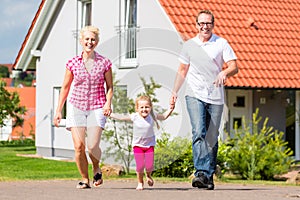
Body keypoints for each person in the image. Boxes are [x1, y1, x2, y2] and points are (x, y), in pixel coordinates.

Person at [170, 10, 238, 190]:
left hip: (215, 96)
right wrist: (175, 91)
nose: (204, 26)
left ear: (213, 25)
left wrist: (224, 72)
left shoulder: (221, 43)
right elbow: (182, 70)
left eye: (208, 23)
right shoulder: (189, 45)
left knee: (212, 136)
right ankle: (200, 172)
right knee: (198, 131)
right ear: (196, 25)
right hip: (194, 94)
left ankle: (208, 176)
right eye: (201, 23)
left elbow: (234, 67)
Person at [53, 26, 113, 189]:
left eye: (92, 39)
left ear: (97, 42)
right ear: (81, 41)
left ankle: (96, 166)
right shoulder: (72, 63)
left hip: (97, 106)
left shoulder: (104, 62)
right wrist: (59, 110)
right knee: (79, 147)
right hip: (76, 106)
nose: (89, 42)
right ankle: (85, 179)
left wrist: (108, 103)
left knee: (92, 146)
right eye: (86, 39)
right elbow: (65, 87)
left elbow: (110, 87)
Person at [109, 95, 174, 190]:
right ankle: (140, 182)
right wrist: (110, 114)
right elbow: (122, 118)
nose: (144, 109)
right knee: (139, 166)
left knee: (149, 165)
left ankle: (148, 176)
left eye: (147, 107)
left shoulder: (152, 115)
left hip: (149, 146)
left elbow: (164, 116)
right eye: (142, 107)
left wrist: (171, 109)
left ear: (150, 107)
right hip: (138, 146)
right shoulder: (135, 116)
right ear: (137, 108)